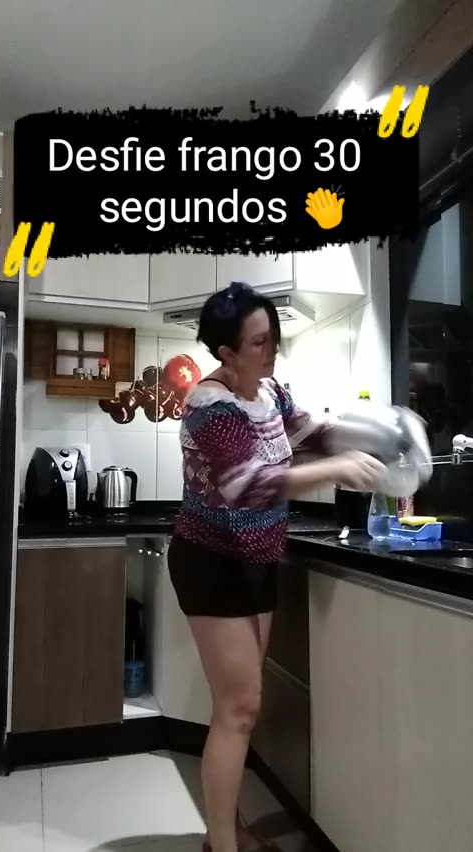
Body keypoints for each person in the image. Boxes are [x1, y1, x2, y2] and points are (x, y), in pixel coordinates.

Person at [168, 282, 385, 852]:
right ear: (226, 352)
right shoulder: (209, 405)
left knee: (243, 708)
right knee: (238, 708)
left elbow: (316, 433)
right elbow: (248, 484)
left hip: (255, 561)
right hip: (211, 564)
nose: (272, 351)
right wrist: (336, 468)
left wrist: (381, 432)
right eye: (259, 342)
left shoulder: (270, 391)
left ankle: (226, 832)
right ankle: (224, 844)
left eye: (274, 338)